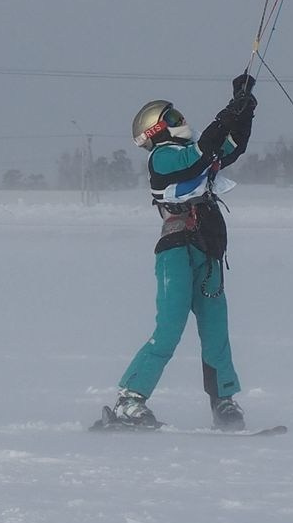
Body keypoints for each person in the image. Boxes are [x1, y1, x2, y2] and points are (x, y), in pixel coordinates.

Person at [100, 72, 259, 430]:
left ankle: (224, 400)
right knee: (170, 328)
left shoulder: (190, 153)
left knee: (216, 328)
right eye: (172, 118)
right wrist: (227, 112)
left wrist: (244, 107)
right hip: (176, 250)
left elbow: (231, 145)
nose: (182, 121)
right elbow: (200, 156)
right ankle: (130, 399)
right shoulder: (164, 157)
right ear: (157, 132)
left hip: (208, 247)